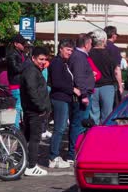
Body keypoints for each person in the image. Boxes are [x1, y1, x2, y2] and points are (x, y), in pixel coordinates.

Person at [21, 46, 51, 177]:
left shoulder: (34, 70)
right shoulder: (31, 71)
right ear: (33, 58)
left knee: (29, 137)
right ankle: (31, 166)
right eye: (40, 59)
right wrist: (40, 107)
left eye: (45, 59)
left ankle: (27, 163)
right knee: (34, 138)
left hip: (33, 109)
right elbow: (32, 91)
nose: (43, 62)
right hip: (34, 110)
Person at [48, 39, 76, 169]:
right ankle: (53, 157)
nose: (70, 52)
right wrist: (73, 89)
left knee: (61, 128)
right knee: (59, 128)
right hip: (59, 98)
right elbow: (57, 83)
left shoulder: (63, 63)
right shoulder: (57, 63)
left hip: (65, 98)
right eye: (67, 49)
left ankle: (55, 155)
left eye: (71, 50)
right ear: (61, 49)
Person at [68, 34, 95, 163]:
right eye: (90, 44)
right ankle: (73, 153)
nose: (91, 46)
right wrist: (84, 95)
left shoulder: (78, 56)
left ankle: (75, 151)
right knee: (78, 124)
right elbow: (79, 77)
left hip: (83, 93)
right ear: (86, 44)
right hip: (81, 96)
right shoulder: (79, 57)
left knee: (78, 124)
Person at [89, 29, 118, 124]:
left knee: (93, 114)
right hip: (107, 86)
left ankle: (94, 134)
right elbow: (116, 70)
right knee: (107, 115)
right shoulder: (109, 54)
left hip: (93, 86)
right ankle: (105, 135)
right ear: (104, 40)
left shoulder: (89, 54)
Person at [7, 33, 29, 129]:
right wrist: (26, 63)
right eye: (22, 43)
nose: (24, 45)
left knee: (21, 108)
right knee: (17, 108)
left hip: (21, 85)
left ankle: (18, 129)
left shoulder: (21, 54)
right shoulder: (12, 54)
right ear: (16, 44)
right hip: (16, 85)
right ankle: (15, 130)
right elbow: (16, 69)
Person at [103, 26, 123, 108]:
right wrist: (120, 86)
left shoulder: (98, 47)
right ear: (113, 35)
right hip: (111, 83)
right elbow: (117, 69)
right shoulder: (114, 49)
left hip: (97, 84)